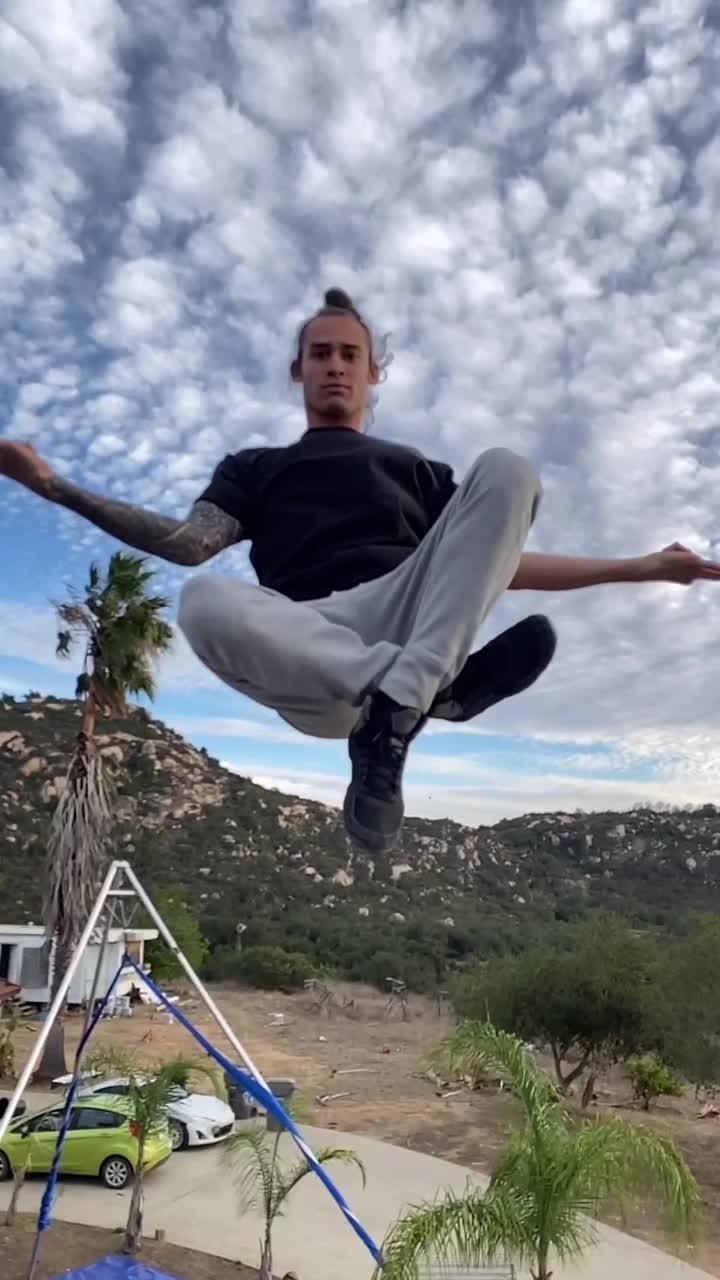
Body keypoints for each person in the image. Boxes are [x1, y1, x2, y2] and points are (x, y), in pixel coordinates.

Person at [1, 288, 719, 855]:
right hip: (313, 645)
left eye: (350, 354)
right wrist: (56, 487)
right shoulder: (256, 468)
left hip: (409, 614)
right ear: (299, 371)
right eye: (320, 354)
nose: (336, 365)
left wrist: (644, 567)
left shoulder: (415, 470)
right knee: (202, 599)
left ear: (374, 372)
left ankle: (403, 703)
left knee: (508, 470)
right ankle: (423, 694)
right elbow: (189, 543)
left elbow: (497, 561)